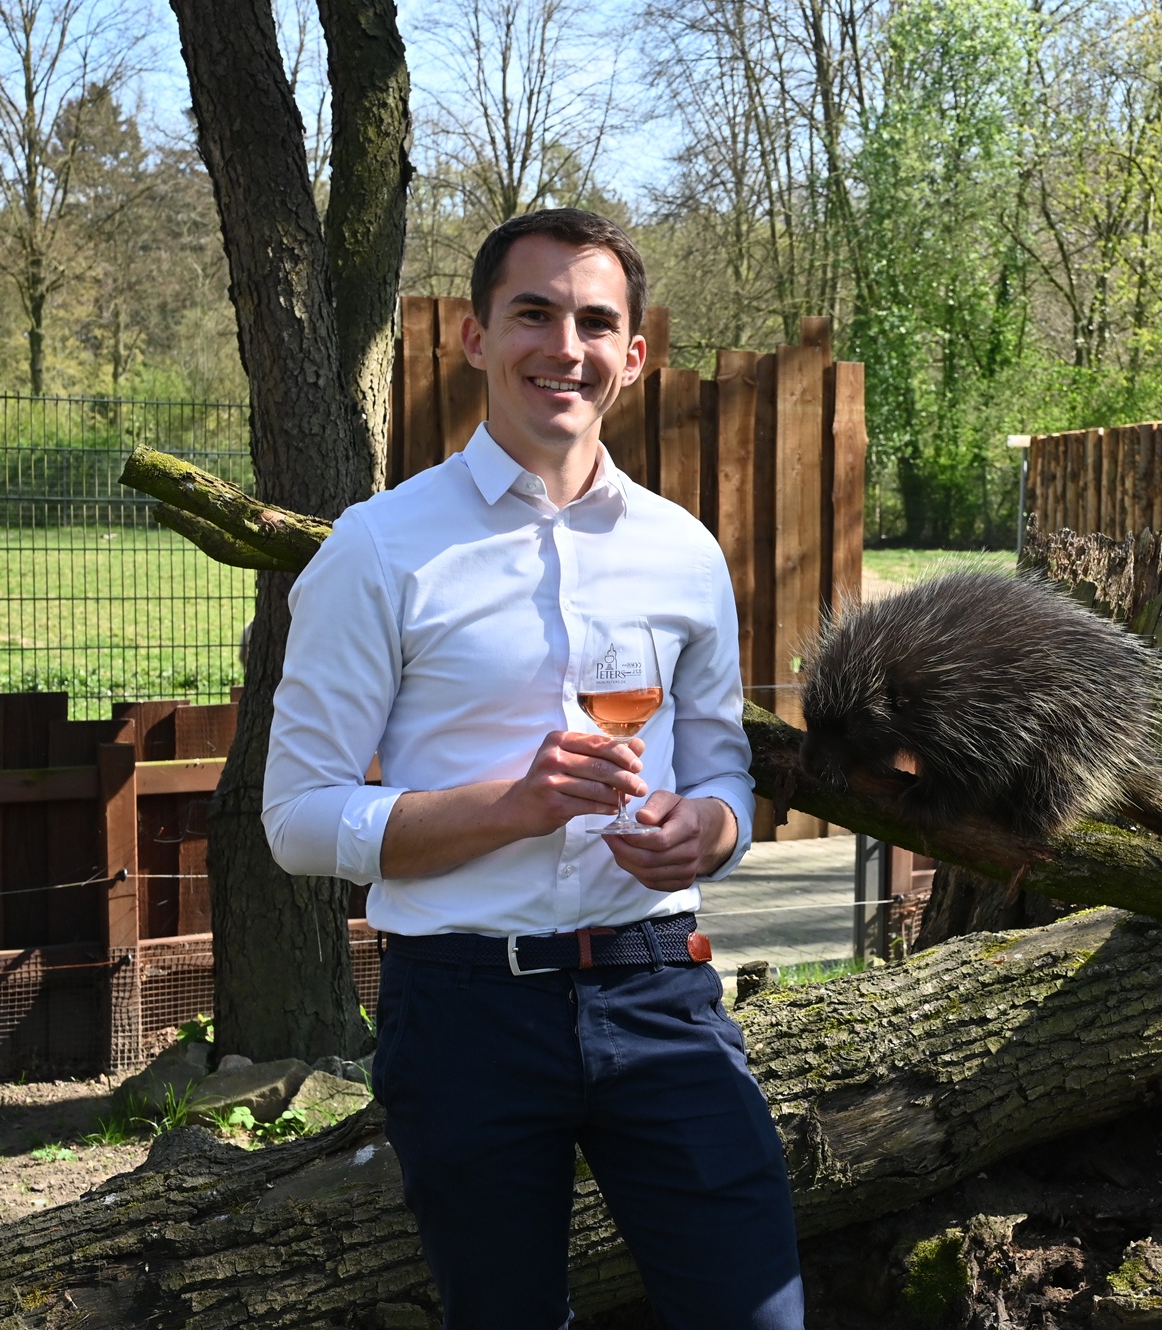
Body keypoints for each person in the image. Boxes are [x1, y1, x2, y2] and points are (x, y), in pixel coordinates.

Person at [262, 208, 804, 1329]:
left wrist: (705, 833)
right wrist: (512, 808)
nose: (566, 346)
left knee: (753, 1312)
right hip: (464, 1009)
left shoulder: (683, 551)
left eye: (595, 322)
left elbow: (723, 776)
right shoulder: (378, 548)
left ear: (633, 355)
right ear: (475, 337)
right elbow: (298, 818)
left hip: (660, 987)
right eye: (533, 314)